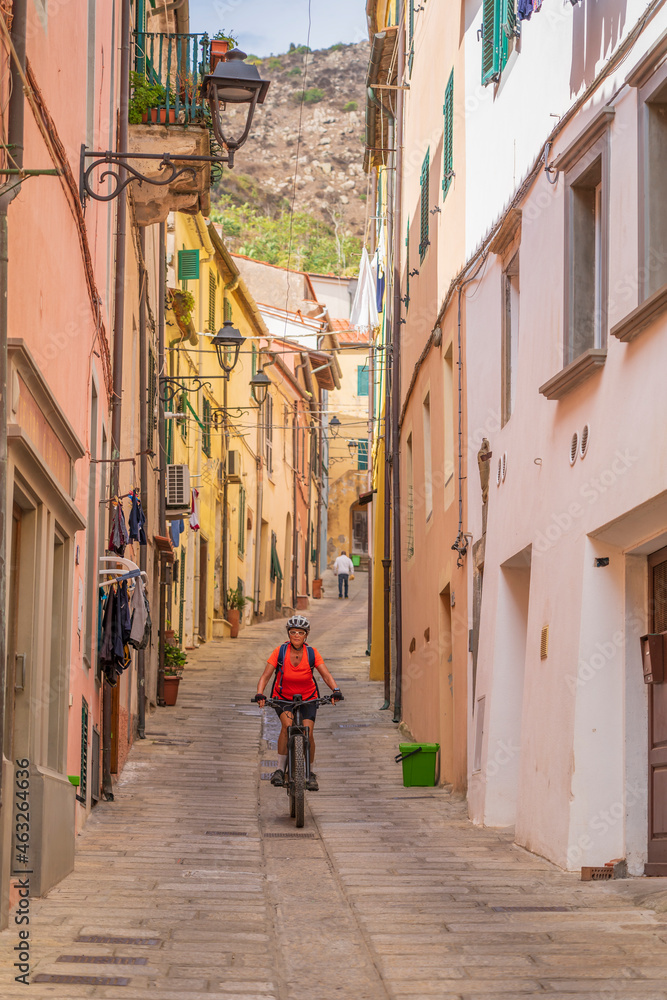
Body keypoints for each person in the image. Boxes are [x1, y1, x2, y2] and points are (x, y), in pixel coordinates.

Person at [255, 615, 343, 791]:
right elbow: (266, 675)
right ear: (289, 634)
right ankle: (280, 769)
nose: (296, 635)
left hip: (308, 697)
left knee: (308, 732)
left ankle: (309, 773)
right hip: (283, 697)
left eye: (300, 633)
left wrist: (335, 690)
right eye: (293, 632)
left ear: (306, 635)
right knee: (287, 727)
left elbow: (325, 674)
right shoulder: (280, 652)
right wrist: (260, 694)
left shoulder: (312, 653)